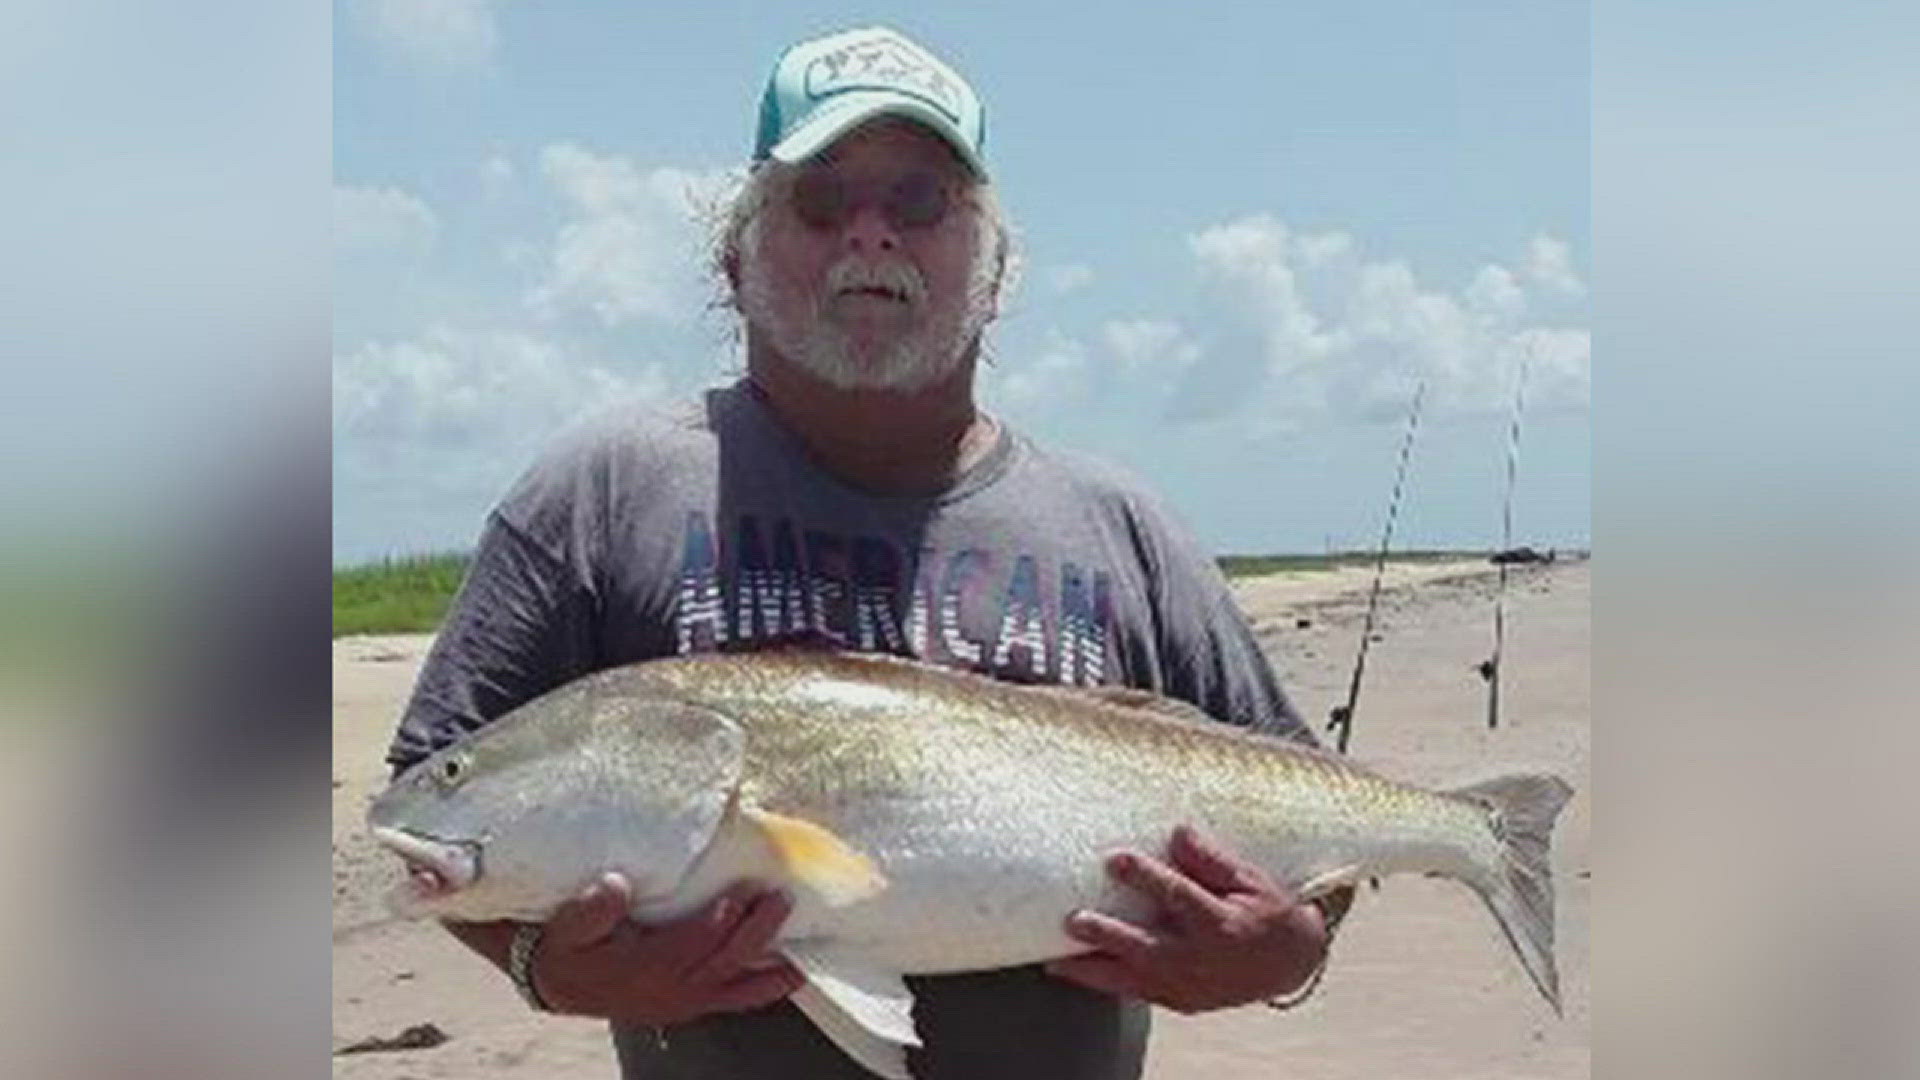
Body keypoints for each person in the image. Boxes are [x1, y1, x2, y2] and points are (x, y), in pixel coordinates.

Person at [385, 25, 1351, 1080]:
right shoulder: (601, 491)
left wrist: (1289, 949)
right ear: (735, 256)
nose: (873, 234)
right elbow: (440, 803)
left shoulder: (1125, 525)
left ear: (994, 269)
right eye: (820, 198)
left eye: (923, 201)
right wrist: (548, 972)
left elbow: (1318, 812)